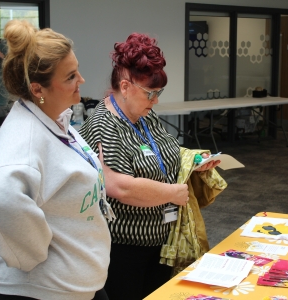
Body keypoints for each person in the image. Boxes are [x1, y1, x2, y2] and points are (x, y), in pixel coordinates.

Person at [79, 33, 220, 300]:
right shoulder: (105, 125)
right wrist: (172, 194)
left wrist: (193, 159)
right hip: (124, 247)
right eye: (151, 93)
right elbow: (118, 186)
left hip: (160, 239)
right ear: (125, 86)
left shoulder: (144, 114)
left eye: (159, 93)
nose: (155, 100)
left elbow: (166, 149)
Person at [0, 20, 113, 300]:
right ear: (38, 90)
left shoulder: (54, 119)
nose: (82, 81)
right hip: (45, 289)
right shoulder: (25, 137)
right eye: (70, 77)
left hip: (72, 282)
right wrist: (33, 251)